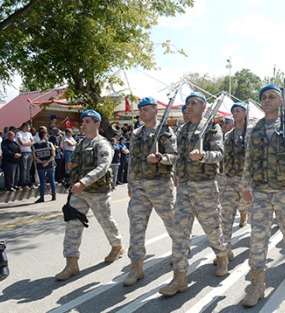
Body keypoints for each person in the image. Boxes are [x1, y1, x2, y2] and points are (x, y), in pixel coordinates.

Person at [240, 84, 285, 307]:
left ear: (280, 102)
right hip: (260, 190)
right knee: (258, 235)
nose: (267, 100)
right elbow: (248, 160)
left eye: (272, 97)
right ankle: (256, 282)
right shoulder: (255, 129)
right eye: (264, 97)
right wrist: (245, 187)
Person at [158, 92, 228, 297]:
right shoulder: (182, 130)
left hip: (205, 185)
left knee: (212, 228)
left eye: (194, 103)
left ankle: (222, 255)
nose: (189, 107)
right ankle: (179, 278)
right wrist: (173, 171)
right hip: (185, 187)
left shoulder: (212, 128)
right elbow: (178, 157)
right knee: (180, 232)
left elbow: (219, 153)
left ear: (203, 107)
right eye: (187, 104)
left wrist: (204, 155)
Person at [55, 110, 124, 281]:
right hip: (79, 192)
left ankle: (117, 246)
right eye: (83, 121)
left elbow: (102, 167)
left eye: (87, 121)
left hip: (98, 192)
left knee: (105, 220)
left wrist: (84, 181)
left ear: (97, 124)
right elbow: (77, 163)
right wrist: (71, 166)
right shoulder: (81, 143)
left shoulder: (102, 144)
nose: (83, 124)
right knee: (72, 224)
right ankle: (71, 262)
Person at [123, 97, 178, 287]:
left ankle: (180, 250)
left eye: (146, 109)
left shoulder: (165, 131)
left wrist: (161, 158)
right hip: (139, 186)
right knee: (136, 226)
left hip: (160, 184)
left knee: (171, 221)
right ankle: (136, 267)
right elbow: (132, 161)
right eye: (141, 110)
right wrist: (130, 183)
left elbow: (174, 156)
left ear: (155, 111)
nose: (142, 113)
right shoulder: (136, 133)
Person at [220, 102, 251, 258]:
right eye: (233, 111)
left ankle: (258, 246)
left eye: (238, 111)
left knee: (257, 216)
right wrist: (224, 178)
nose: (235, 113)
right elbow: (225, 159)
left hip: (250, 183)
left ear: (245, 113)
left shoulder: (253, 133)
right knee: (226, 215)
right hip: (231, 181)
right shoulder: (228, 135)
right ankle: (225, 250)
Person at [31, 130, 56, 203]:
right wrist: (47, 162)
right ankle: (54, 195)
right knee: (52, 180)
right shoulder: (50, 144)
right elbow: (53, 155)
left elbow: (34, 156)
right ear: (44, 136)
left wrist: (42, 162)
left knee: (42, 182)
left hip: (40, 165)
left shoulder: (34, 145)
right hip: (50, 165)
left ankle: (42, 197)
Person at [16, 122, 34, 188]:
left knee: (28, 168)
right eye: (29, 126)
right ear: (25, 126)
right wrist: (29, 143)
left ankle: (27, 180)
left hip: (29, 151)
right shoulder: (19, 133)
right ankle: (23, 182)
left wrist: (27, 143)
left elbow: (33, 142)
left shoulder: (29, 133)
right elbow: (22, 143)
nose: (29, 128)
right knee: (24, 168)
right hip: (23, 152)